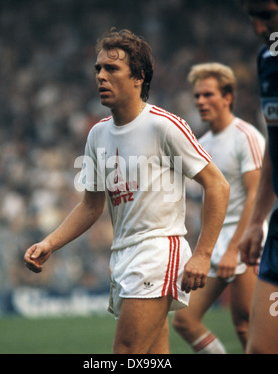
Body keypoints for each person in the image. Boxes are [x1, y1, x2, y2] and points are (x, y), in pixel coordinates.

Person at [24, 29, 230, 354]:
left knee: (126, 354)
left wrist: (203, 254)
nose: (101, 76)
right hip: (122, 257)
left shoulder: (163, 125)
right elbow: (91, 206)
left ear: (139, 77)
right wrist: (51, 242)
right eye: (98, 69)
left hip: (158, 252)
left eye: (112, 69)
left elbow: (217, 184)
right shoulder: (97, 135)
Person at [172, 62, 265, 353]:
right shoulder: (201, 143)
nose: (200, 101)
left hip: (247, 242)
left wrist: (235, 247)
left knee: (245, 325)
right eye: (197, 96)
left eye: (208, 94)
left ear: (228, 97)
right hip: (217, 246)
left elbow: (256, 194)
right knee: (184, 320)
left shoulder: (246, 136)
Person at [237, 0, 278, 354]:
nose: (259, 30)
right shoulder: (268, 61)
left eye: (267, 15)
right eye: (252, 18)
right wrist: (257, 220)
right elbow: (277, 146)